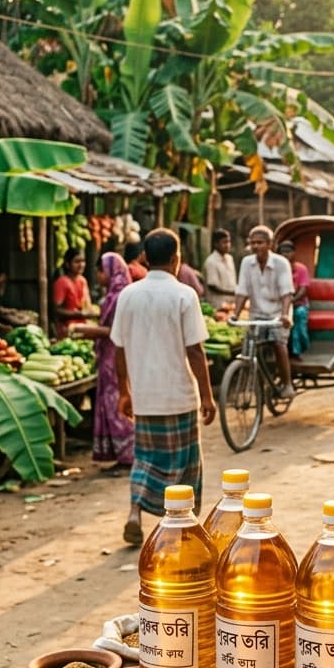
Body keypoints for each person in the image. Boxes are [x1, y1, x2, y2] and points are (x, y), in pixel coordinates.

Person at [111, 229, 215, 546]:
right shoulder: (184, 295)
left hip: (145, 396)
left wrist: (125, 391)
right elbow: (195, 351)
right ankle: (186, 528)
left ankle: (134, 512)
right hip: (179, 395)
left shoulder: (128, 295)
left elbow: (118, 347)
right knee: (186, 465)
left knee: (145, 459)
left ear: (145, 257)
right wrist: (208, 396)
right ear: (176, 258)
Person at [69, 252, 134, 471]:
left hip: (117, 355)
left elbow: (116, 331)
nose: (97, 276)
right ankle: (119, 451)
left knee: (117, 402)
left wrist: (87, 330)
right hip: (110, 356)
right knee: (111, 402)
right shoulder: (116, 293)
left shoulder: (119, 296)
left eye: (99, 271)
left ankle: (128, 452)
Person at [233, 225, 297, 400]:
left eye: (260, 242)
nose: (255, 246)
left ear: (270, 244)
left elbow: (287, 293)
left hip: (278, 314)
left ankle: (287, 384)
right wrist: (235, 314)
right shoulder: (247, 263)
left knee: (279, 343)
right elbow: (242, 291)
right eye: (252, 243)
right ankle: (248, 382)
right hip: (256, 314)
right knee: (248, 347)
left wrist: (284, 315)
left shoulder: (281, 263)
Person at [52, 248, 98, 339]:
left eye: (83, 261)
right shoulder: (62, 282)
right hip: (67, 329)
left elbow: (86, 305)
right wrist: (80, 314)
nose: (81, 265)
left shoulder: (82, 280)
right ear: (67, 264)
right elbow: (56, 311)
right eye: (77, 262)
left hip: (83, 326)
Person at [278, 239, 310, 358]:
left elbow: (303, 290)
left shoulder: (301, 269)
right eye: (283, 252)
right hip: (280, 305)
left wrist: (291, 301)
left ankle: (298, 351)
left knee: (298, 315)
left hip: (298, 304)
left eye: (289, 251)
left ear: (294, 253)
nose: (286, 254)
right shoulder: (278, 269)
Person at [203, 228, 237, 310]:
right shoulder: (211, 261)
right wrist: (232, 293)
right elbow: (212, 286)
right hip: (217, 306)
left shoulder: (230, 259)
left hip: (231, 304)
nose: (227, 245)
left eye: (229, 242)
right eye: (224, 242)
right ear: (216, 244)